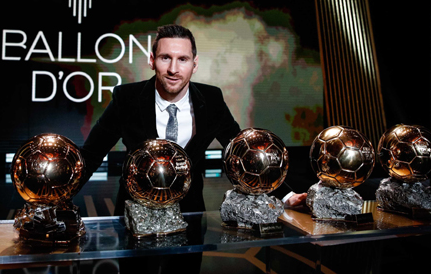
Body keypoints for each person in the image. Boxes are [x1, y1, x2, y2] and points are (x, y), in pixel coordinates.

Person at [80, 24, 306, 213]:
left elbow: (244, 154)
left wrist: (287, 196)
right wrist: (55, 197)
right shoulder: (126, 98)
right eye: (165, 58)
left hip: (190, 214)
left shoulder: (211, 99)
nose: (173, 69)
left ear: (194, 64)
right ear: (152, 61)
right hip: (135, 212)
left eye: (183, 59)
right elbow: (91, 154)